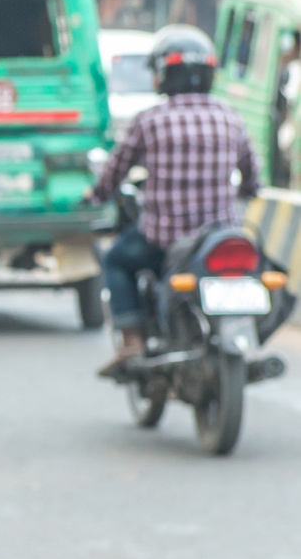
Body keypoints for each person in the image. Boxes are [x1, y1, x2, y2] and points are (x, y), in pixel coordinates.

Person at [88, 25, 260, 375]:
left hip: (164, 240)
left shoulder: (150, 120)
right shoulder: (230, 116)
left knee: (116, 261)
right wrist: (244, 193)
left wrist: (95, 195)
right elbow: (252, 176)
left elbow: (114, 172)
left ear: (165, 75)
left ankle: (132, 338)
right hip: (218, 237)